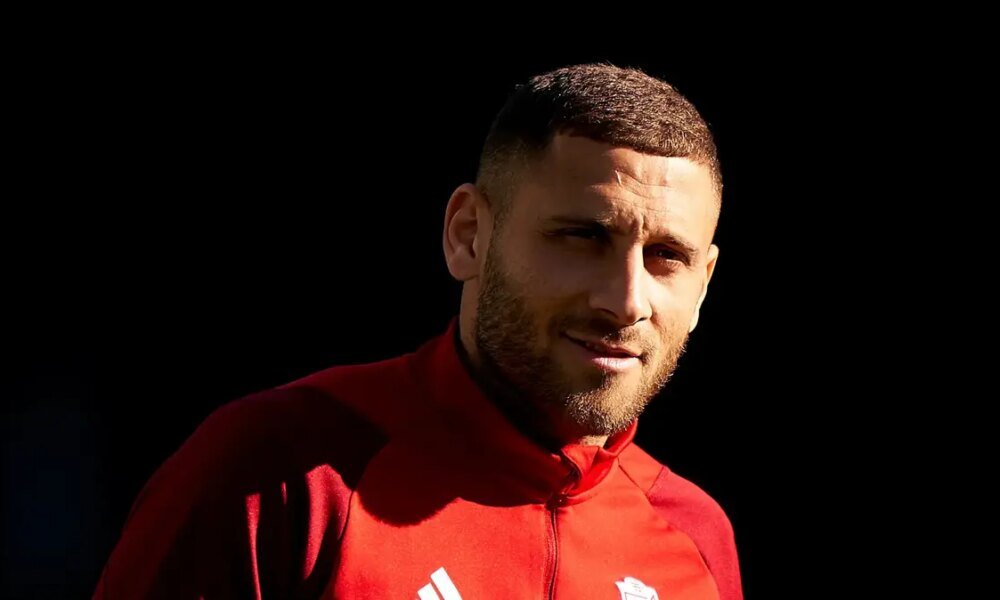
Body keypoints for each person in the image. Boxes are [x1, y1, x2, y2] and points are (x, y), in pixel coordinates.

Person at [94, 63, 742, 600]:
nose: (625, 301)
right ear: (468, 235)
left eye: (667, 257)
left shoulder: (697, 541)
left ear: (704, 285)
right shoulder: (279, 474)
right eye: (581, 237)